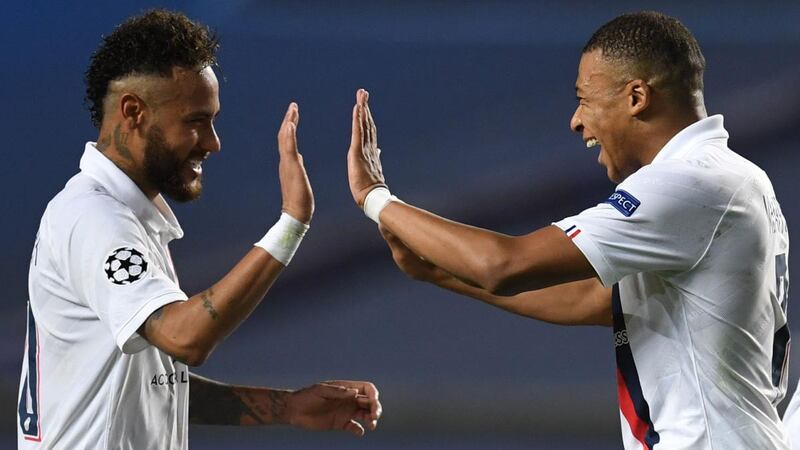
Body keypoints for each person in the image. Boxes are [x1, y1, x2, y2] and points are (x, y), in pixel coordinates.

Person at [347, 11, 789, 450]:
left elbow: (504, 264)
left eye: (586, 98)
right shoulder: (733, 179)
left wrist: (376, 197)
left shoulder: (690, 183)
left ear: (637, 97)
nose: (576, 121)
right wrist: (438, 273)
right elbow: (595, 298)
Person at [17, 9, 381, 449]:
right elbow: (184, 339)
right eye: (195, 121)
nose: (212, 142)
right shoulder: (94, 218)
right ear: (133, 112)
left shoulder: (128, 219)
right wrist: (290, 224)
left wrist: (287, 407)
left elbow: (157, 384)